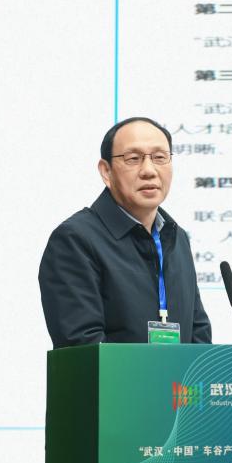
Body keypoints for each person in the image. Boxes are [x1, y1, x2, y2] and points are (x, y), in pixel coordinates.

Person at [39, 117, 212, 348]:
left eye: (160, 157)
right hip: (113, 374)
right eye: (133, 159)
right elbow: (83, 346)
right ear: (106, 171)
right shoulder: (75, 240)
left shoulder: (176, 237)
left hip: (178, 374)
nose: (149, 170)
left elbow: (198, 333)